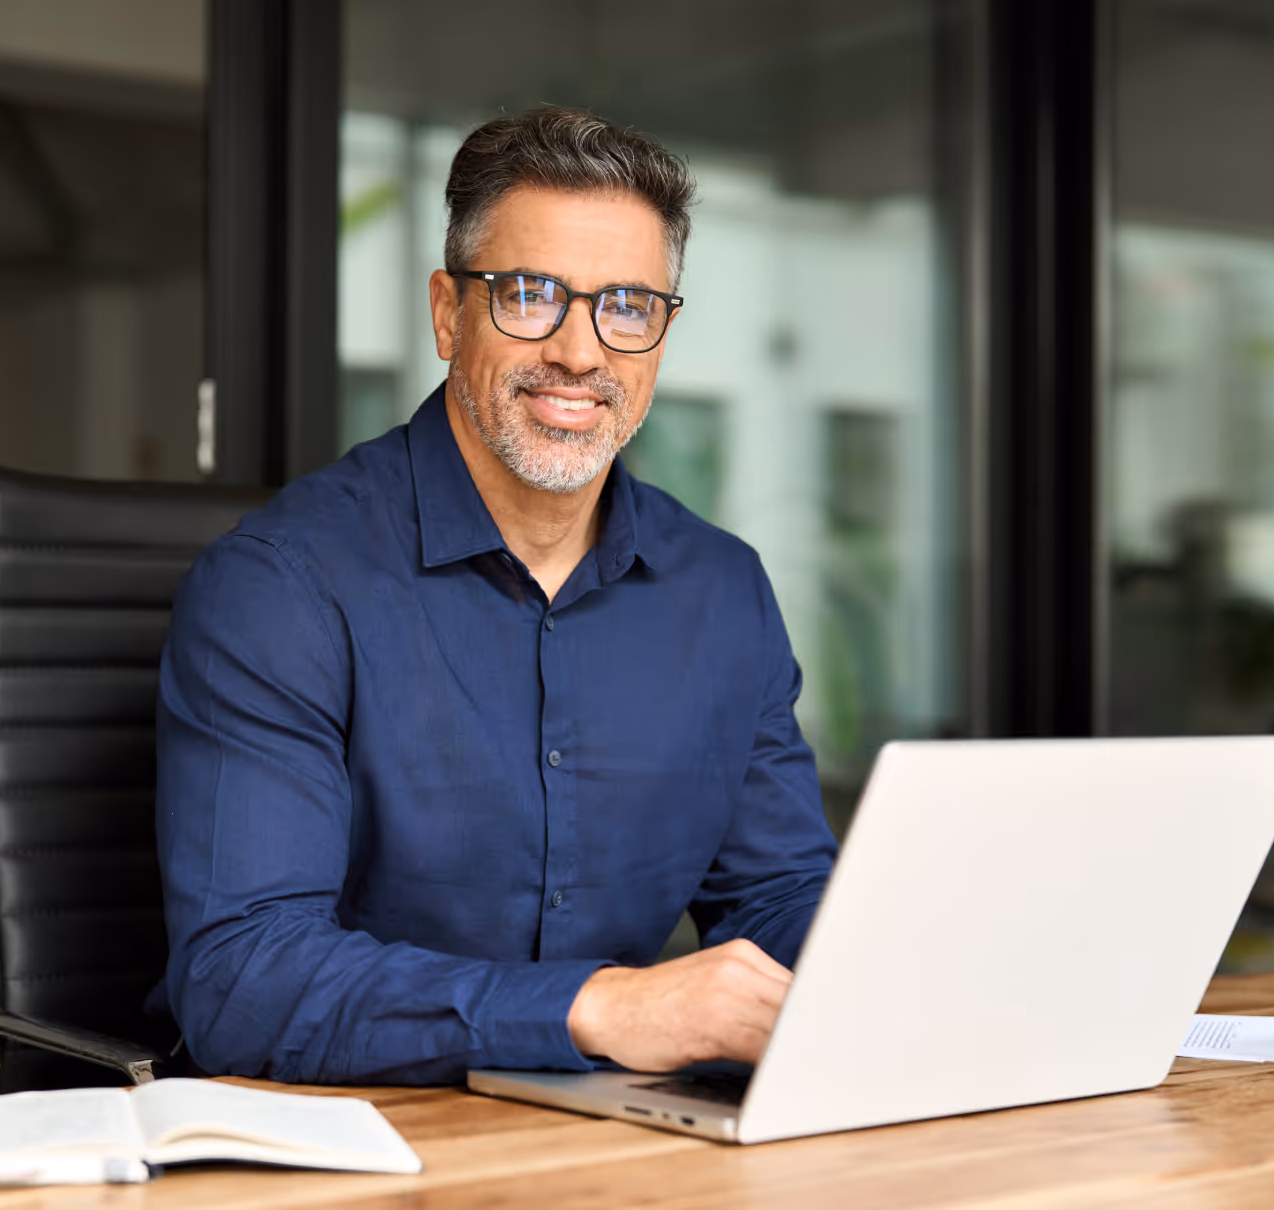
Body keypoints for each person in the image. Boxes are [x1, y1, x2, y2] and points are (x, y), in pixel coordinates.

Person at [148, 106, 838, 1084]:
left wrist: (910, 968)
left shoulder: (722, 591)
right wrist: (594, 1005)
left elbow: (776, 898)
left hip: (626, 1141)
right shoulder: (281, 587)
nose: (581, 351)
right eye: (530, 294)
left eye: (628, 305)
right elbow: (242, 977)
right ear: (446, 311)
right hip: (357, 1142)